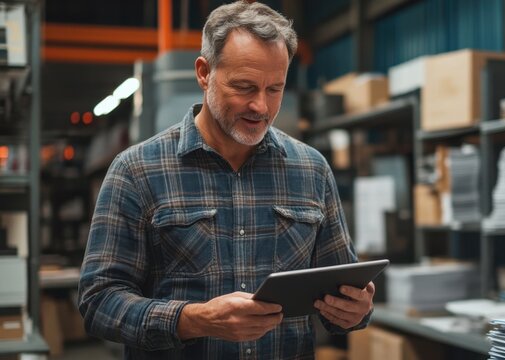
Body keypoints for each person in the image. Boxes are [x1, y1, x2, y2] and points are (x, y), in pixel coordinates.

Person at [78, 1, 375, 358]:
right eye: (245, 87)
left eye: (274, 89)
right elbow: (98, 302)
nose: (261, 107)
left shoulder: (311, 170)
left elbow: (342, 295)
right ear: (204, 72)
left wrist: (356, 311)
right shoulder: (137, 171)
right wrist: (193, 320)